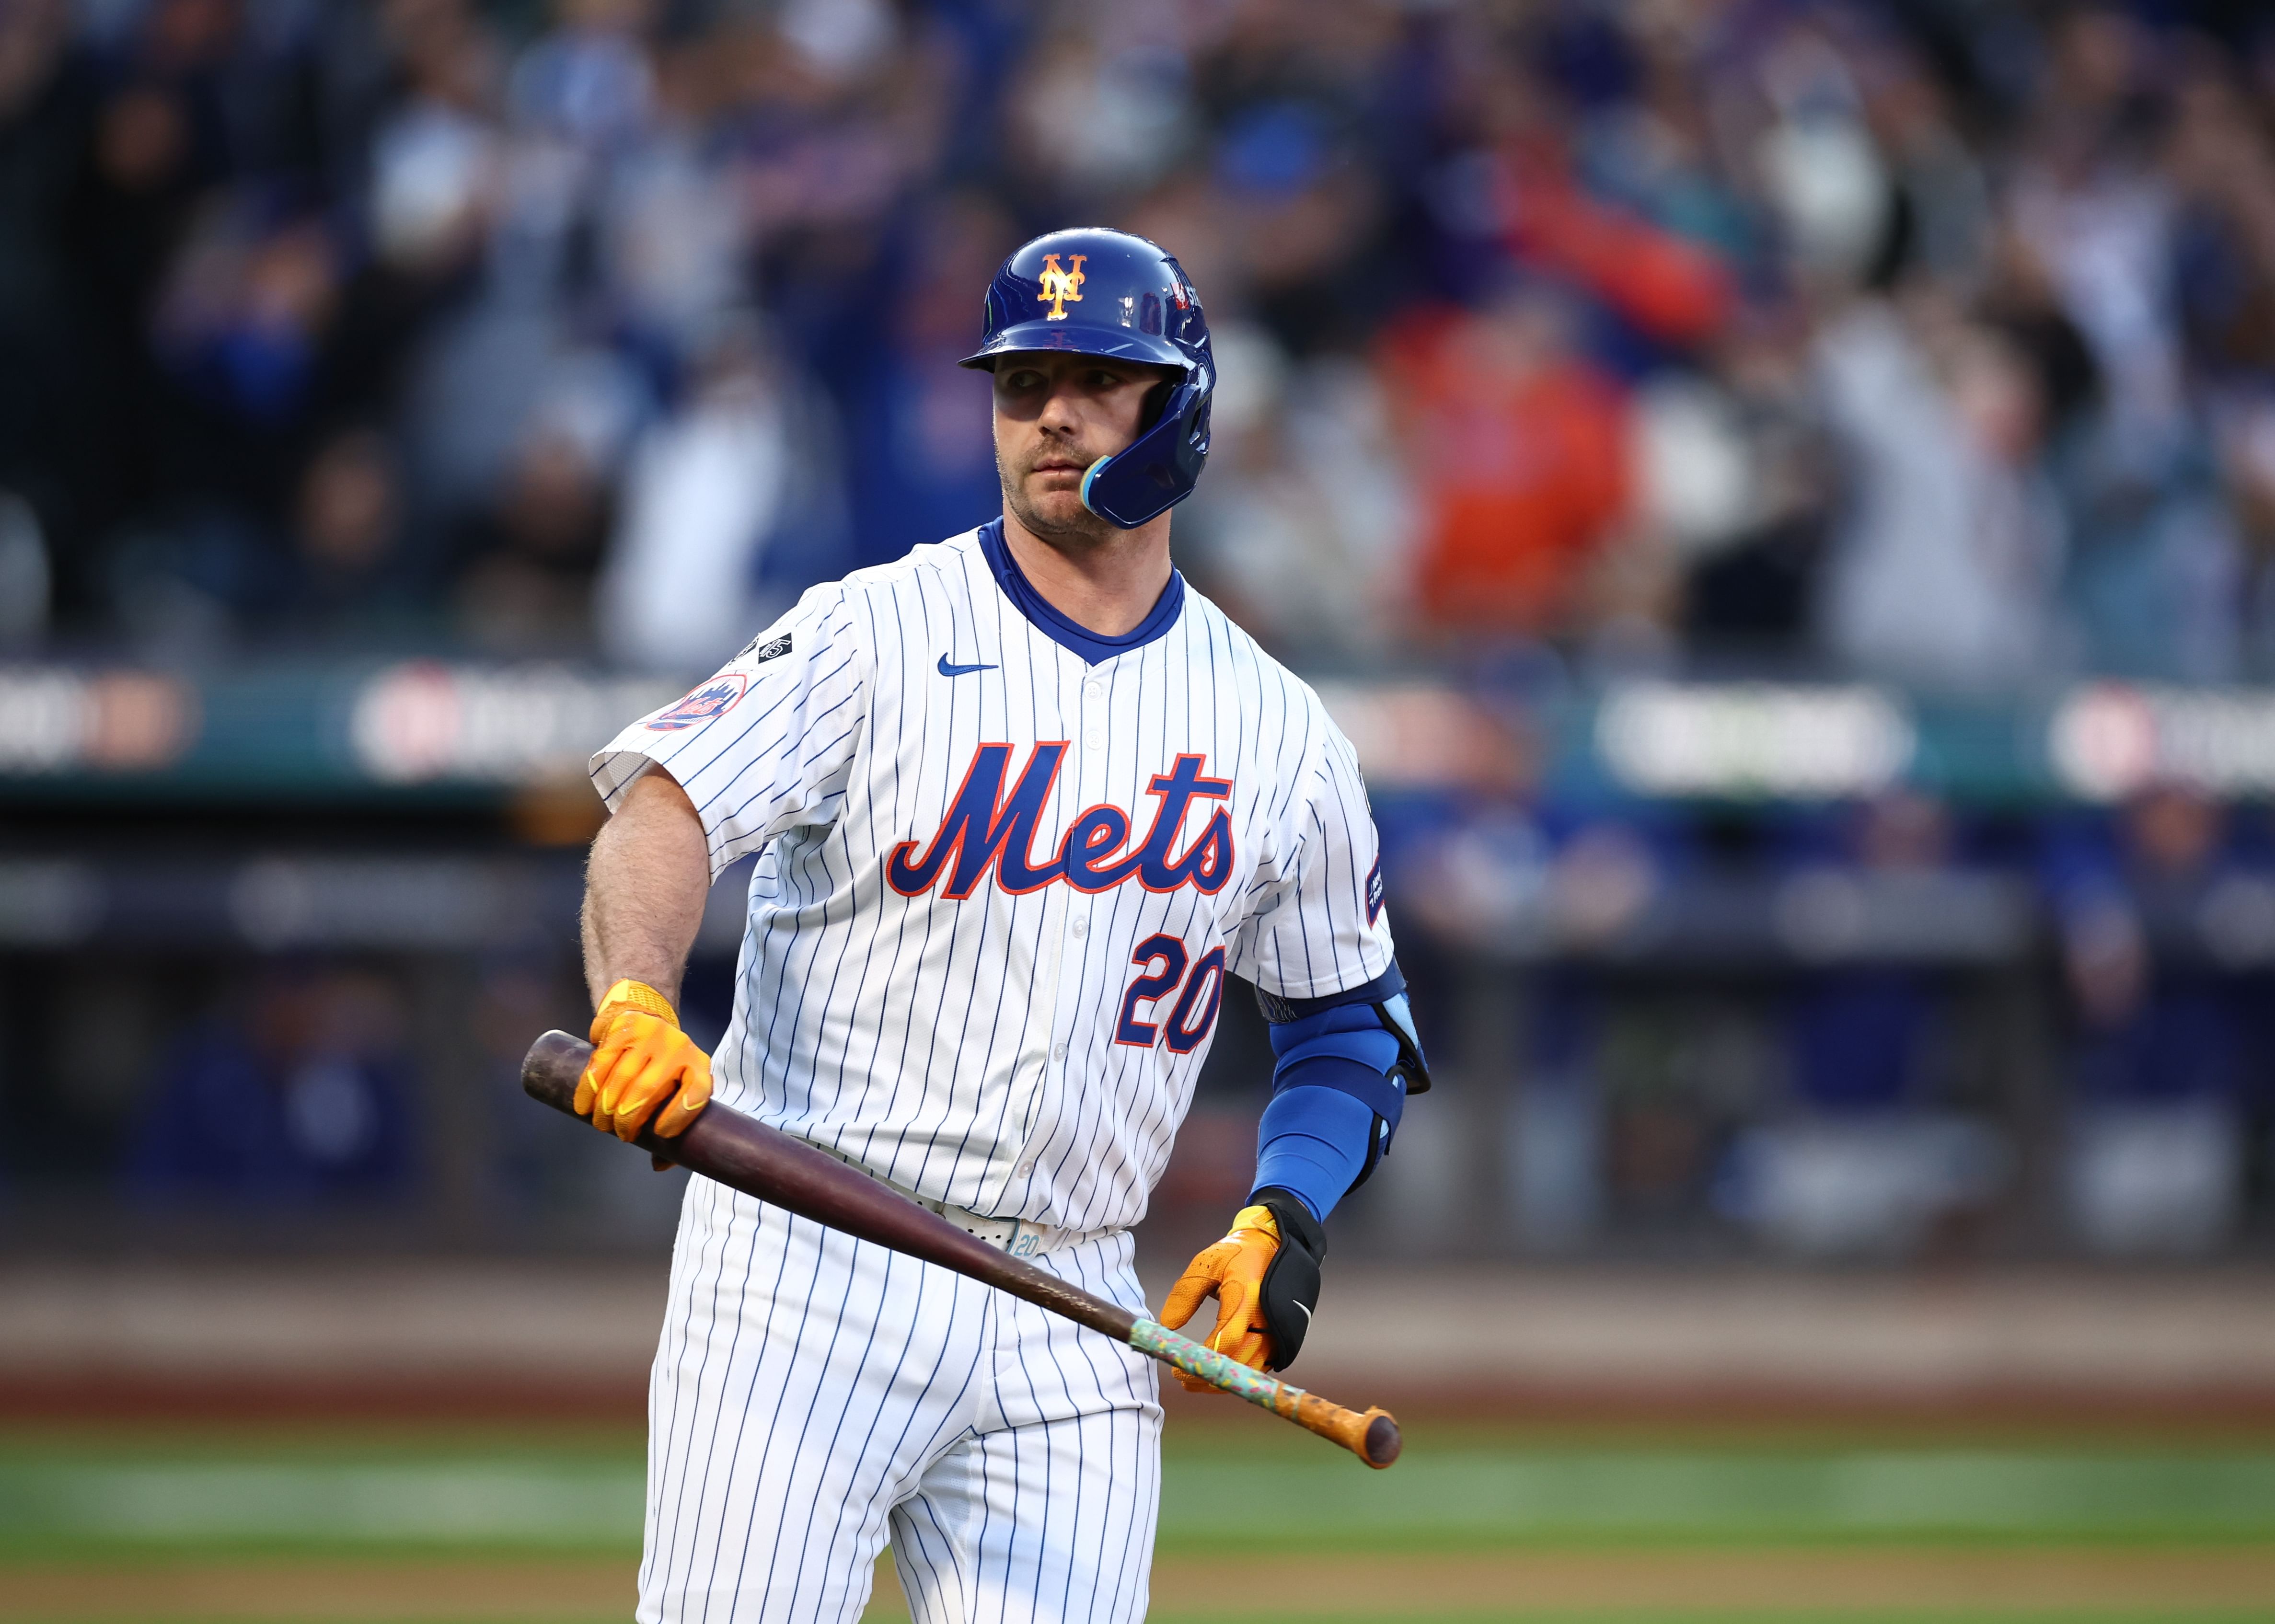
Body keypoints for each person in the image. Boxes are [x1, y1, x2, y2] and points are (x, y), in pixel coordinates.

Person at [571, 228, 1429, 1623]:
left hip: (1076, 1296)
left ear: (1184, 408)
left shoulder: (1278, 728)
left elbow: (1346, 1017)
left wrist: (1290, 1208)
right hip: (805, 1263)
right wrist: (638, 1004)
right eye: (1023, 379)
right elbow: (663, 810)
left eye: (1101, 376)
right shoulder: (872, 631)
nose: (1053, 413)